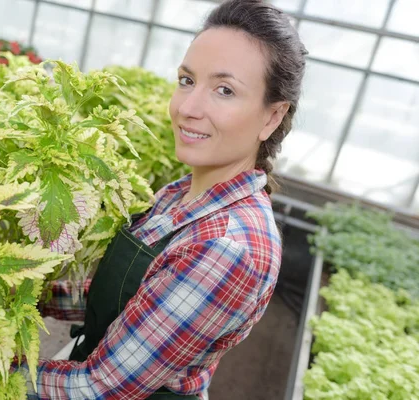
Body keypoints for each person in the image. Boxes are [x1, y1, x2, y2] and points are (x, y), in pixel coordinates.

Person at [16, 0, 307, 398]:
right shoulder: (182, 195)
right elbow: (123, 294)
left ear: (271, 117)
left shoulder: (227, 246)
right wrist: (22, 294)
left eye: (224, 90)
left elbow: (98, 387)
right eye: (187, 80)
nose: (187, 108)